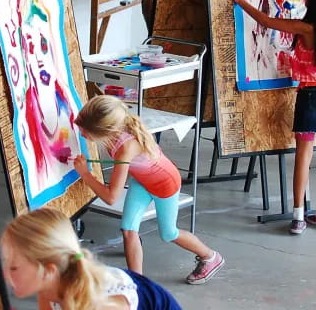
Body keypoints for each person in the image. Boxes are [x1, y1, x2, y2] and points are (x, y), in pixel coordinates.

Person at [228, 0, 316, 235]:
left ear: (310, 0)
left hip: (311, 97)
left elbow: (267, 22)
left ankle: (298, 216)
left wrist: (242, 1)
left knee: (303, 156)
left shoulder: (304, 28)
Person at [73, 95, 224, 284]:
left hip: (165, 184)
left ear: (106, 130)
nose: (81, 135)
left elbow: (112, 197)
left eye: (85, 133)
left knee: (168, 233)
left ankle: (210, 257)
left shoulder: (125, 148)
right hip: (143, 181)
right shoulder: (118, 126)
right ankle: (138, 284)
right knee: (128, 230)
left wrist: (85, 175)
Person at [1, 208, 182, 310]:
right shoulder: (49, 288)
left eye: (14, 267)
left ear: (49, 271)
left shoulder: (101, 305)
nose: (4, 273)